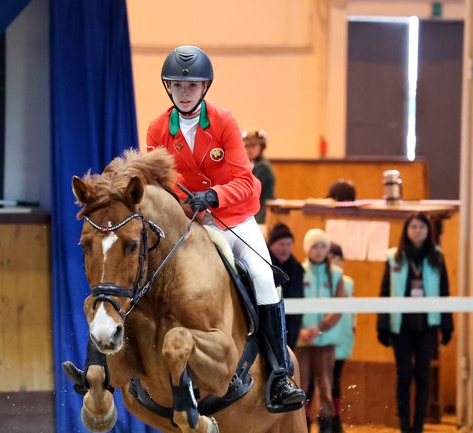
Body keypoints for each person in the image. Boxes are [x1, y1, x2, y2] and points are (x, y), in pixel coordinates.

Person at [65, 45, 305, 413]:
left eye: (192, 85)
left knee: (261, 274)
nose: (185, 92)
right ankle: (99, 367)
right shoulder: (159, 127)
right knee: (130, 270)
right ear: (169, 88)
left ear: (204, 87)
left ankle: (279, 374)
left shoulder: (222, 121)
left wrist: (214, 195)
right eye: (177, 85)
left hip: (232, 218)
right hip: (187, 222)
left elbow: (246, 182)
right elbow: (153, 183)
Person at [376, 213, 453, 433]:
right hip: (401, 327)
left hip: (428, 326)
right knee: (403, 377)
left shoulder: (436, 256)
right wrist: (383, 326)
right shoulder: (394, 257)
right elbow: (385, 292)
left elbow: (444, 291)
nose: (417, 230)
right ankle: (403, 431)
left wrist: (446, 325)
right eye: (413, 227)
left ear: (428, 231)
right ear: (406, 231)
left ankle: (419, 431)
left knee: (423, 377)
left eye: (421, 226)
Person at [297, 229, 346, 433]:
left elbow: (338, 307)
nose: (319, 251)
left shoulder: (336, 275)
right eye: (315, 246)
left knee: (326, 386)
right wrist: (300, 330)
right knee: (301, 386)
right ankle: (302, 428)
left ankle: (326, 429)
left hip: (325, 341)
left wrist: (321, 327)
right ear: (307, 249)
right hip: (302, 340)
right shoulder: (299, 271)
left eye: (323, 246)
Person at [328, 243, 354, 433]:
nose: (334, 262)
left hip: (341, 336)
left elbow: (351, 313)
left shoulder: (348, 283)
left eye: (337, 258)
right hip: (321, 336)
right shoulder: (322, 280)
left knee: (335, 381)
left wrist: (353, 329)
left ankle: (335, 423)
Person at [267, 222, 304, 349]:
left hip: (291, 325)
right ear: (271, 245)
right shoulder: (263, 266)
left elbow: (299, 300)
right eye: (281, 244)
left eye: (289, 245)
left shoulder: (297, 268)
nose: (285, 249)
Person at [242, 128, 276, 223]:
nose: (249, 149)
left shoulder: (262, 167)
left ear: (261, 147)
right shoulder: (254, 164)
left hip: (262, 215)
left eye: (253, 145)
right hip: (258, 212)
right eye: (247, 146)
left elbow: (250, 193)